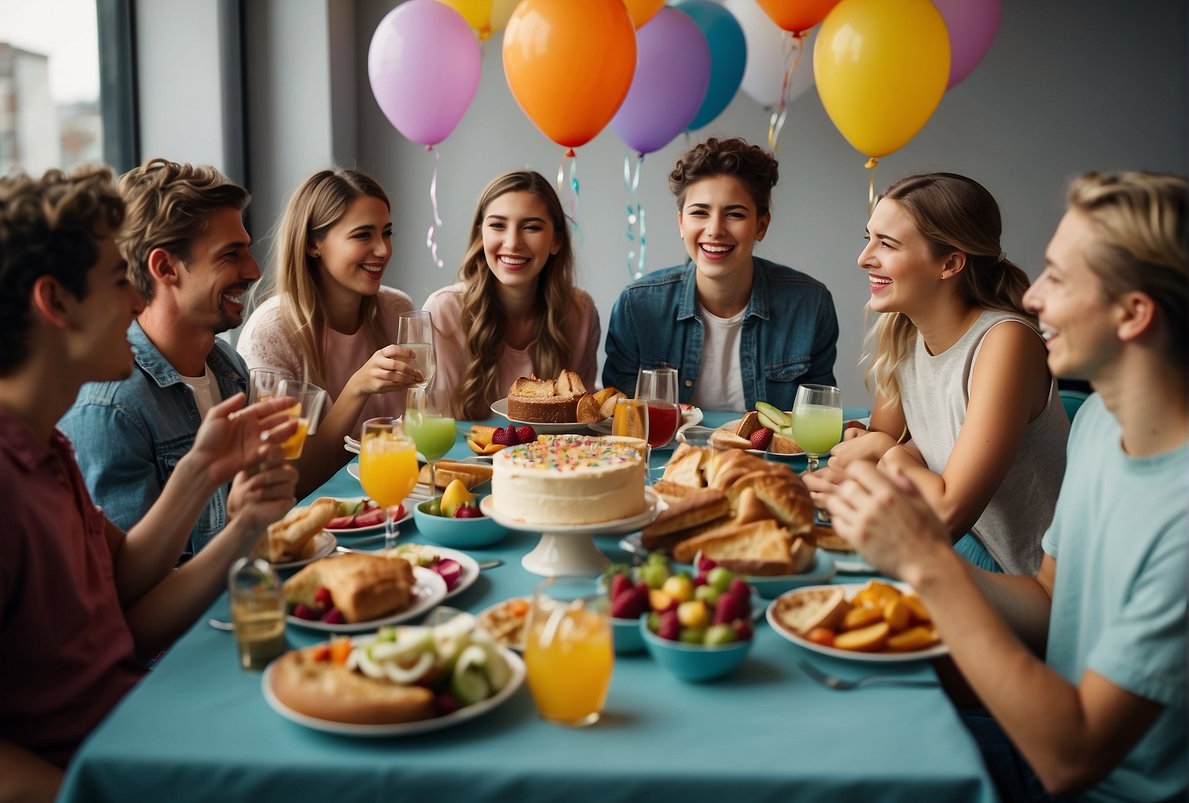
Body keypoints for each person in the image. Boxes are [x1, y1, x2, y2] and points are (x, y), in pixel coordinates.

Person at [826, 171, 1187, 803]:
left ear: (1133, 314)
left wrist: (927, 562)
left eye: (1058, 277)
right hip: (1035, 738)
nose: (1034, 297)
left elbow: (1070, 757)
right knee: (830, 745)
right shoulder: (1102, 427)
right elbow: (1050, 606)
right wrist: (902, 555)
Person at [0, 168, 298, 803]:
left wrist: (220, 496)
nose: (135, 304)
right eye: (119, 282)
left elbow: (119, 599)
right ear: (55, 304)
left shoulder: (44, 447)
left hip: (138, 736)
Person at [806, 172, 1068, 575]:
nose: (864, 258)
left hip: (1022, 580)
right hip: (956, 552)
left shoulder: (1005, 343)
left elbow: (946, 514)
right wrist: (889, 451)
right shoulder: (903, 329)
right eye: (868, 238)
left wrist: (890, 456)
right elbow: (881, 439)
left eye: (887, 244)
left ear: (949, 263)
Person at [58, 159, 266, 558]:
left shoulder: (230, 367)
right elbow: (135, 590)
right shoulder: (111, 407)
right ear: (165, 267)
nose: (253, 270)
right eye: (231, 254)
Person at [602, 136, 837, 411]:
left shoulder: (809, 305)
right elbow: (619, 423)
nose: (715, 229)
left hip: (768, 456)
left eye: (734, 214)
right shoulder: (637, 307)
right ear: (681, 222)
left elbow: (819, 417)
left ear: (761, 225)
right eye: (699, 212)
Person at [237, 169, 421, 492]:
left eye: (387, 233)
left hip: (396, 499)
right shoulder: (269, 336)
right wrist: (357, 388)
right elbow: (290, 482)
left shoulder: (397, 310)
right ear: (313, 244)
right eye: (363, 235)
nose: (383, 250)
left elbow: (416, 433)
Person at [424, 169, 600, 420]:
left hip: (550, 458)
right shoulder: (443, 311)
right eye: (497, 225)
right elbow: (435, 421)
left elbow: (580, 419)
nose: (512, 242)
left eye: (531, 227)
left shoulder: (580, 312)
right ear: (480, 235)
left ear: (556, 241)